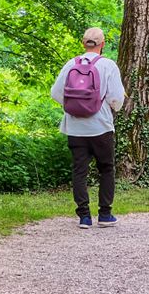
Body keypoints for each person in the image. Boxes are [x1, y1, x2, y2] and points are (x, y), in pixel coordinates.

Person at [50, 27, 125, 229]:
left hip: (74, 127)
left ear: (83, 43)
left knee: (79, 171)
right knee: (107, 168)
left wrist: (75, 107)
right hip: (101, 126)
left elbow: (56, 93)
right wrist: (109, 109)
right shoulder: (108, 65)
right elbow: (117, 98)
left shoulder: (70, 65)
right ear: (103, 44)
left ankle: (84, 216)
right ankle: (105, 214)